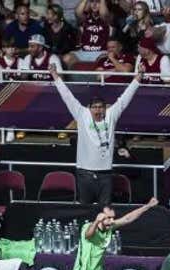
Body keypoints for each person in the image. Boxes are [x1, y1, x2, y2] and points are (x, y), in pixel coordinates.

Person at [51, 63, 141, 206]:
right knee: (84, 211)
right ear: (89, 108)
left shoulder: (111, 115)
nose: (98, 110)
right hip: (84, 173)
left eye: (101, 107)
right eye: (95, 107)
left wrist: (139, 76)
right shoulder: (82, 114)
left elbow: (125, 99)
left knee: (105, 213)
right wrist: (55, 76)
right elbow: (67, 96)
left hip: (105, 174)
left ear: (105, 108)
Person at [65, 198, 156, 270]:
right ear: (99, 217)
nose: (112, 221)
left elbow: (127, 218)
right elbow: (88, 234)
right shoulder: (87, 227)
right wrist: (97, 222)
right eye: (108, 218)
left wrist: (147, 206)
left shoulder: (109, 227)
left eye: (113, 217)